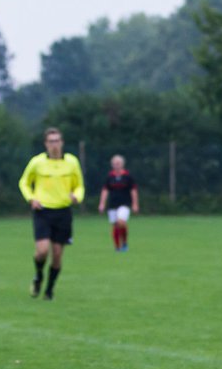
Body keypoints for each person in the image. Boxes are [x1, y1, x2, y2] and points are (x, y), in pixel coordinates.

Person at [18, 127, 84, 300]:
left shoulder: (71, 162)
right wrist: (31, 199)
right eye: (51, 141)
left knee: (56, 255)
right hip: (43, 211)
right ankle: (38, 276)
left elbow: (79, 185)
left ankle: (49, 290)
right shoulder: (37, 162)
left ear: (62, 142)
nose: (54, 145)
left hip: (63, 212)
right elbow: (24, 182)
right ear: (46, 144)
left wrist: (77, 196)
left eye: (57, 141)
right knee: (42, 251)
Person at [97, 154, 139, 252]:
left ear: (122, 164)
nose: (117, 165)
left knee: (121, 222)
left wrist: (135, 204)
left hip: (124, 204)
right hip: (112, 205)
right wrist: (102, 203)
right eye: (115, 163)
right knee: (115, 225)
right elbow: (105, 190)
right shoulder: (109, 177)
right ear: (112, 165)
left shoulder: (127, 176)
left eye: (119, 163)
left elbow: (133, 190)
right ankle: (117, 247)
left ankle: (124, 242)